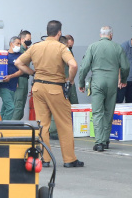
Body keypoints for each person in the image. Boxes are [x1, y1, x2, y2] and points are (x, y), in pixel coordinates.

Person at [15, 20, 83, 168]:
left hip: (38, 88)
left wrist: (33, 73)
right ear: (59, 33)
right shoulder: (61, 47)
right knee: (64, 124)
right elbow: (73, 65)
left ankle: (44, 158)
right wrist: (70, 80)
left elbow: (18, 63)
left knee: (42, 124)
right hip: (55, 88)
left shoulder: (35, 47)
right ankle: (69, 159)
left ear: (47, 32)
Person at [78, 26, 129, 152]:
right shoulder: (118, 47)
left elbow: (84, 67)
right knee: (109, 111)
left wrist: (81, 82)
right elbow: (126, 67)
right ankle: (106, 140)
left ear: (100, 35)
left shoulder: (92, 46)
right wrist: (123, 80)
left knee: (97, 112)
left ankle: (99, 142)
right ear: (111, 35)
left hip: (97, 82)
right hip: (112, 83)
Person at [0, 36, 24, 119]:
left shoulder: (20, 56)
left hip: (13, 86)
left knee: (5, 108)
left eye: (20, 44)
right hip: (3, 86)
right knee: (11, 107)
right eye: (17, 43)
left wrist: (11, 76)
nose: (19, 46)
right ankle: (5, 127)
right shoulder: (3, 55)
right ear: (11, 44)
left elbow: (21, 71)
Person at [9, 30, 32, 120]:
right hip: (19, 79)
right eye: (28, 39)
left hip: (24, 79)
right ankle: (12, 127)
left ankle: (15, 124)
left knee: (21, 105)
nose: (29, 41)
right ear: (22, 39)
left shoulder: (26, 50)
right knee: (18, 104)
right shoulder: (20, 51)